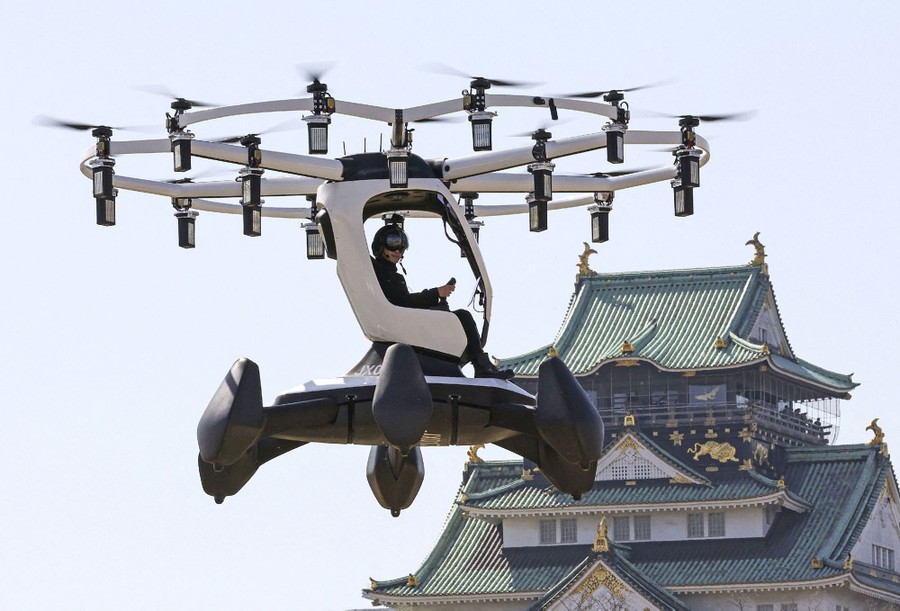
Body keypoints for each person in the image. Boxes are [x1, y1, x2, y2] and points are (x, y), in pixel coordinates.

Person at [370, 223, 514, 380]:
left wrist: (437, 297)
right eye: (392, 246)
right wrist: (436, 293)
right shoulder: (385, 274)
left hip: (403, 321)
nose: (397, 251)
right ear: (381, 247)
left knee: (454, 315)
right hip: (403, 324)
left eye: (401, 248)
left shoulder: (387, 274)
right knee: (463, 316)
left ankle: (478, 363)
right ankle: (481, 366)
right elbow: (404, 302)